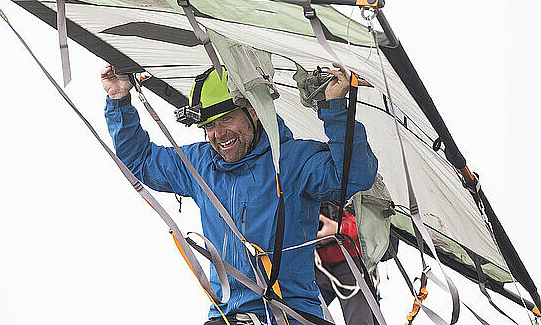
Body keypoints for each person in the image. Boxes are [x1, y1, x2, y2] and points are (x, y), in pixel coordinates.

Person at [101, 63, 378, 324]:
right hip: (225, 316)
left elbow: (355, 176)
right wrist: (119, 99)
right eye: (209, 125)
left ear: (254, 112)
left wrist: (336, 108)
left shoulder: (292, 160)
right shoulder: (200, 164)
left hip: (290, 315)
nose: (218, 133)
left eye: (227, 119)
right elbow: (139, 161)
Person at [315, 208, 375, 325]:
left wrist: (342, 229)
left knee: (359, 321)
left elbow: (372, 221)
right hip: (313, 267)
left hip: (351, 265)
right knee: (295, 317)